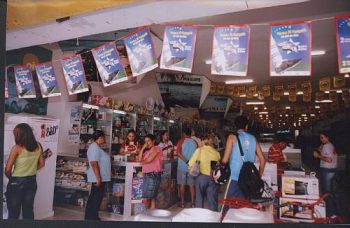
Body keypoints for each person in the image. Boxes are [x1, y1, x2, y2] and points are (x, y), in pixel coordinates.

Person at [221, 116, 265, 205]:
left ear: (235, 126)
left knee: (230, 205)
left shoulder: (232, 137)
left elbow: (225, 160)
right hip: (248, 179)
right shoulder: (253, 138)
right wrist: (258, 176)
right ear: (246, 126)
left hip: (234, 177)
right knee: (244, 206)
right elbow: (263, 160)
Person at [5, 123, 45, 219]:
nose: (15, 135)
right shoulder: (38, 145)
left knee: (13, 213)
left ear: (21, 135)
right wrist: (30, 171)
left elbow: (7, 169)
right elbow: (42, 163)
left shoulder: (17, 148)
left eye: (16, 133)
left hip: (17, 182)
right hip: (32, 181)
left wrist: (11, 177)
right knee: (28, 210)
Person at [189, 134, 221, 211]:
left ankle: (199, 218)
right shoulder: (216, 153)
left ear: (203, 141)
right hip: (212, 178)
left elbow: (190, 164)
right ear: (212, 142)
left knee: (199, 200)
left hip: (201, 178)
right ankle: (213, 218)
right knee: (212, 201)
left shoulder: (199, 150)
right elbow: (218, 165)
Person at [85, 130, 111, 220]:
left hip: (100, 177)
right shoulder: (94, 147)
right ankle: (91, 217)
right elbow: (94, 163)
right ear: (100, 137)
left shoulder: (97, 147)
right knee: (95, 198)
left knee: (96, 197)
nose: (105, 139)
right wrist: (98, 178)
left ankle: (91, 216)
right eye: (104, 137)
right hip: (97, 178)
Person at [313, 132, 338, 217]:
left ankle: (331, 214)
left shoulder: (327, 146)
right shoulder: (329, 145)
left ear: (327, 137)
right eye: (320, 138)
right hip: (332, 170)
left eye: (323, 137)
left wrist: (318, 156)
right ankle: (334, 212)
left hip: (327, 170)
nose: (321, 139)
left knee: (326, 193)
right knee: (331, 192)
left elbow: (329, 160)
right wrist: (321, 148)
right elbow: (323, 151)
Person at [138, 134, 163, 209]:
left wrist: (143, 161)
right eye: (145, 141)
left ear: (153, 141)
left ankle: (145, 215)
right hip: (148, 174)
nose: (146, 143)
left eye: (148, 141)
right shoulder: (147, 152)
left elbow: (148, 160)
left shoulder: (157, 148)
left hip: (153, 175)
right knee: (151, 197)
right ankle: (150, 216)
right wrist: (142, 148)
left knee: (147, 198)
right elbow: (140, 160)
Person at [176, 127, 197, 208]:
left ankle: (182, 203)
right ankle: (192, 203)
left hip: (182, 167)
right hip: (192, 167)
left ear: (184, 133)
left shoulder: (181, 141)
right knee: (192, 185)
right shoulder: (194, 142)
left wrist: (186, 161)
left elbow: (178, 153)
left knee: (182, 184)